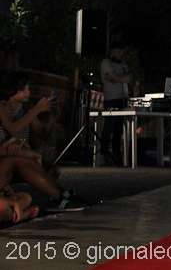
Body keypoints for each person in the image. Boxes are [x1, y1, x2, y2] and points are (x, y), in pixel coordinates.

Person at [0, 72, 89, 212]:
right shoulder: (3, 107)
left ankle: (63, 195)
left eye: (28, 88)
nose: (27, 92)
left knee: (53, 170)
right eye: (23, 89)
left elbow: (44, 134)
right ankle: (58, 197)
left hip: (21, 154)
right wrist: (36, 109)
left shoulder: (25, 110)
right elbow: (13, 130)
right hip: (7, 157)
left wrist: (53, 117)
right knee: (21, 158)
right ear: (11, 89)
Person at [100, 40, 132, 165]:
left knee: (118, 129)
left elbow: (127, 77)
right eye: (119, 51)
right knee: (109, 127)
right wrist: (119, 78)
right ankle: (103, 154)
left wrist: (117, 78)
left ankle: (117, 155)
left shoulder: (122, 64)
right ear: (112, 51)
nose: (121, 54)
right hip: (112, 99)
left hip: (123, 98)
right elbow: (118, 78)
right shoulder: (106, 63)